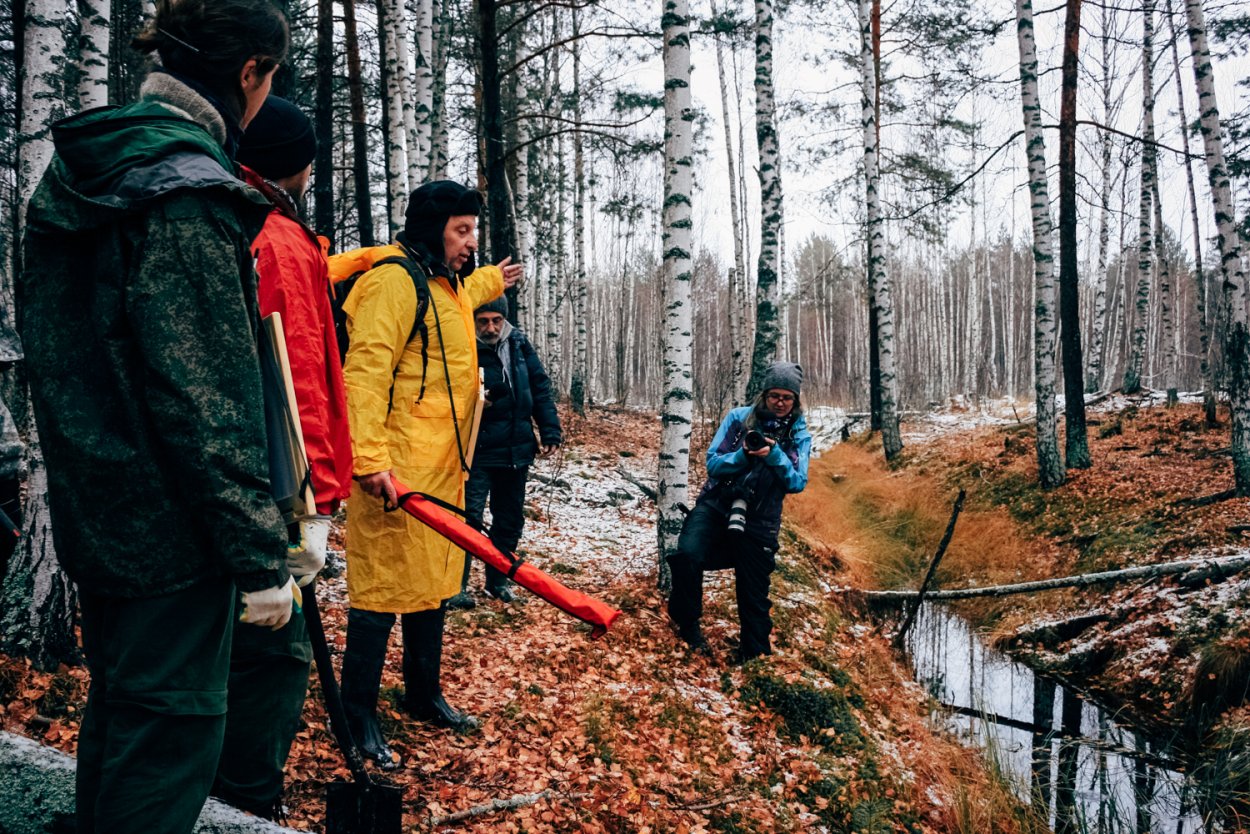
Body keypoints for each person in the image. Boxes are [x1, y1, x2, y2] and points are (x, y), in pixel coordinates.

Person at [17, 2, 293, 831]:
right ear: (249, 72)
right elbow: (204, 399)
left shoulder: (86, 166)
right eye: (269, 77)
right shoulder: (185, 192)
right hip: (171, 533)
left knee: (127, 713)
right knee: (170, 731)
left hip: (98, 502)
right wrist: (260, 553)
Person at [332, 180, 521, 765]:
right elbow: (363, 373)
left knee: (433, 583)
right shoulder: (394, 281)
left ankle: (422, 693)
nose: (472, 244)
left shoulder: (451, 282)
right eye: (462, 231)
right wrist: (368, 460)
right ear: (432, 228)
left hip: (444, 467)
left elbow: (467, 293)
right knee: (383, 587)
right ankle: (356, 711)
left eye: (475, 232)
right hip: (395, 471)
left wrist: (494, 276)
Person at [212, 94, 352, 819]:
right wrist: (316, 505)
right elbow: (298, 384)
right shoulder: (279, 241)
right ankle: (242, 807)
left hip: (239, 483)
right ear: (296, 164)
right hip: (272, 493)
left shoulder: (228, 215)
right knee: (276, 656)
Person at [667, 362, 812, 663]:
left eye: (787, 397)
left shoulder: (799, 435)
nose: (780, 403)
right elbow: (713, 464)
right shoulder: (738, 419)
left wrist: (774, 455)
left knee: (753, 594)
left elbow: (797, 481)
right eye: (774, 396)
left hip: (761, 520)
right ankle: (688, 627)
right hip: (718, 504)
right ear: (764, 395)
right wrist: (743, 455)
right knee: (688, 555)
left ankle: (755, 659)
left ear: (796, 400)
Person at [447, 297, 561, 609]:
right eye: (483, 321)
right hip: (477, 450)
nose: (491, 327)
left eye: (496, 320)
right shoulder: (462, 346)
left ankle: (497, 581)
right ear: (473, 321)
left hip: (517, 449)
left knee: (509, 520)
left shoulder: (519, 344)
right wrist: (480, 401)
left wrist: (549, 429)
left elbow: (539, 387)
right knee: (467, 519)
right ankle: (455, 587)